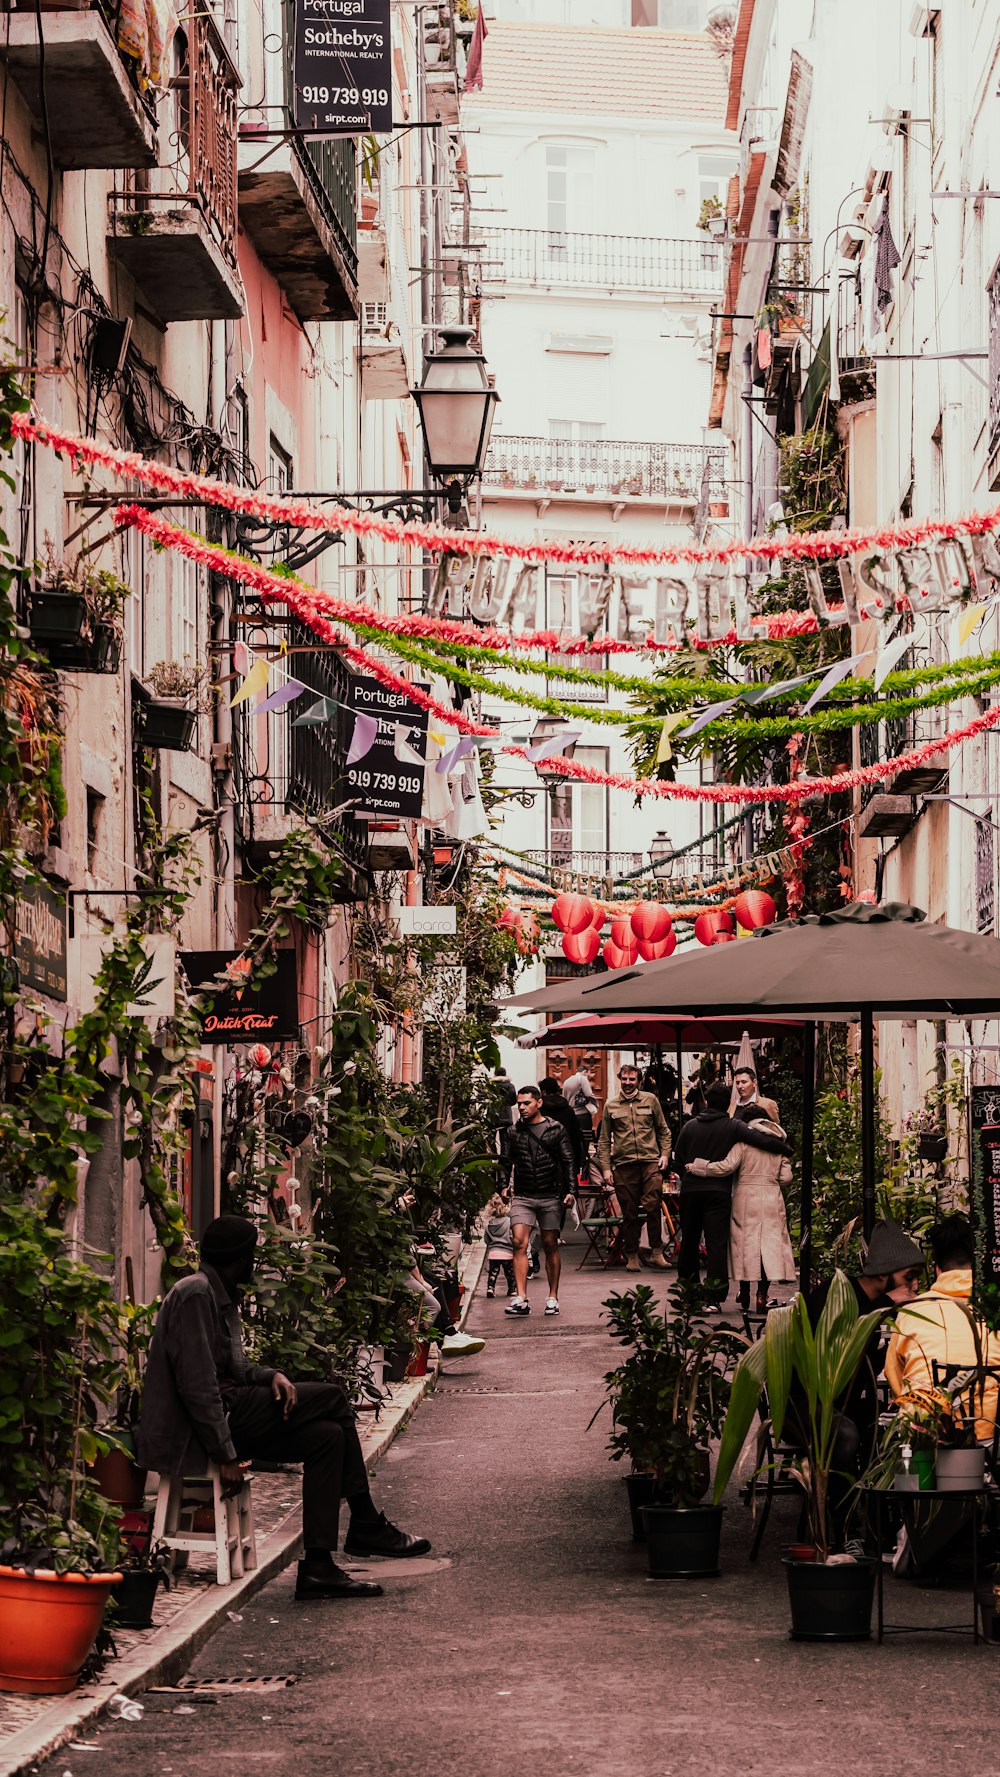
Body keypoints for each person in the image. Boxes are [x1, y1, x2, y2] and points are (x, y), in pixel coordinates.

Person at [137, 1215, 430, 1601]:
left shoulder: (215, 1292)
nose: (254, 1264)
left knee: (326, 1439)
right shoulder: (196, 1294)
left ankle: (319, 1568)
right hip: (203, 1428)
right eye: (251, 1256)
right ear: (238, 1258)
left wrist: (270, 1374)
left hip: (229, 1411)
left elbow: (233, 1368)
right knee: (333, 1397)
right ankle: (364, 1520)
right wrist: (224, 1453)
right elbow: (198, 1387)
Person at [798, 1220, 925, 1546]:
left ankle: (884, 1529)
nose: (913, 1286)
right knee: (847, 1436)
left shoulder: (880, 1306)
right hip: (809, 1405)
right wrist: (887, 1306)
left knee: (891, 1429)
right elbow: (835, 1359)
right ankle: (843, 1534)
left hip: (851, 1401)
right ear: (885, 1273)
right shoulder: (836, 1294)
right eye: (908, 1277)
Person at [671, 1082, 791, 1302]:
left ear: (706, 1102)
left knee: (689, 1240)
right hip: (718, 1192)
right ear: (728, 1104)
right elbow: (760, 1139)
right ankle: (714, 1297)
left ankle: (689, 1291)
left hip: (691, 1191)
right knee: (716, 1244)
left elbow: (678, 1162)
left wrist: (690, 1174)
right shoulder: (733, 1126)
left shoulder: (689, 1127)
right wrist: (785, 1149)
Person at [886, 1213, 1000, 1439]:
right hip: (991, 1433)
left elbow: (895, 1377)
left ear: (937, 1269)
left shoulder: (913, 1309)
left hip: (926, 1434)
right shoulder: (994, 1306)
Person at [505, 1084, 577, 1319]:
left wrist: (570, 1191)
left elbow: (568, 1161)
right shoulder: (513, 1132)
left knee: (549, 1244)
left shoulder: (556, 1129)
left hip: (550, 1195)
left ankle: (553, 1297)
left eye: (526, 1103)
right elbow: (506, 1162)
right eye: (519, 1104)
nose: (522, 1108)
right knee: (518, 1242)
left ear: (539, 1103)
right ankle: (521, 1298)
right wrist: (503, 1186)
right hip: (524, 1195)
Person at [596, 1062, 673, 1273]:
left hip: (650, 1162)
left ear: (639, 1081)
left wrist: (665, 1154)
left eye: (632, 1079)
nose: (628, 1083)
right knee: (629, 1212)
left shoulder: (651, 1100)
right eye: (624, 1079)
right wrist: (605, 1168)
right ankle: (631, 1255)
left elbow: (663, 1131)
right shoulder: (611, 1105)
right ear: (620, 1080)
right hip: (624, 1165)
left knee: (653, 1206)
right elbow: (603, 1140)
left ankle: (657, 1251)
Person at [403, 1262, 486, 1360]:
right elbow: (408, 1260)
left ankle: (447, 1335)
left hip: (406, 1268)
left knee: (436, 1281)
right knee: (433, 1305)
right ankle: (419, 1350)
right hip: (400, 1270)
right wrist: (421, 1281)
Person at [539, 1075, 584, 1179]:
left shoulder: (539, 1110)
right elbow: (575, 1137)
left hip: (543, 1160)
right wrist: (576, 1164)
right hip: (565, 1158)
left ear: (543, 1092)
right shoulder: (568, 1110)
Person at [484, 1193, 516, 1298]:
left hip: (494, 1252)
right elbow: (512, 1236)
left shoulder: (490, 1224)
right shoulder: (509, 1222)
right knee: (510, 1273)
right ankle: (512, 1289)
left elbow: (486, 1240)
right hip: (507, 1252)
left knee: (493, 1272)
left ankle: (490, 1288)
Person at [493, 1066, 518, 1191]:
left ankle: (492, 1159)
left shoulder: (491, 1085)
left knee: (491, 1139)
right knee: (505, 1143)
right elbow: (514, 1100)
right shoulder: (510, 1086)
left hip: (492, 1115)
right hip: (506, 1115)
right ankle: (504, 1162)